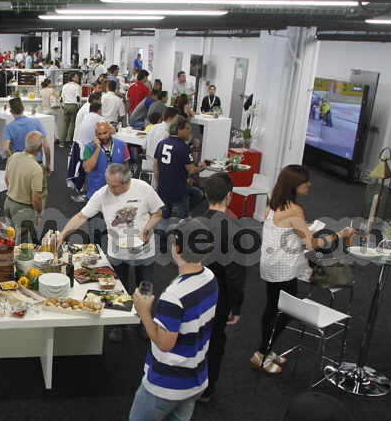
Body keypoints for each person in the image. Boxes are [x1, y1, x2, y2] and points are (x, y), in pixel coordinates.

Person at [254, 165, 355, 374]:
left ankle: (265, 350)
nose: (309, 184)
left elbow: (286, 229)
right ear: (294, 185)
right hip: (284, 268)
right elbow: (312, 245)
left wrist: (303, 227)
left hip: (270, 264)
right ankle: (262, 353)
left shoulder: (273, 204)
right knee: (285, 311)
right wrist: (339, 234)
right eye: (305, 182)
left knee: (272, 307)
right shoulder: (295, 209)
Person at [59, 163, 163, 342]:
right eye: (108, 183)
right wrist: (62, 234)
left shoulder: (143, 189)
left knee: (144, 288)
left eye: (114, 185)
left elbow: (158, 213)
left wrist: (146, 229)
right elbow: (81, 217)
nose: (110, 188)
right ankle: (118, 325)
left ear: (126, 182)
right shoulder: (102, 194)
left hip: (144, 250)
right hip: (117, 251)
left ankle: (144, 323)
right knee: (117, 289)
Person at [128, 218, 217, 421]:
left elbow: (164, 343)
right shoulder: (210, 278)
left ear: (177, 248)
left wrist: (144, 312)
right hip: (196, 378)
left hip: (166, 385)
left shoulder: (174, 296)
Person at [197, 173, 246, 403]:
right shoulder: (234, 229)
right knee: (215, 340)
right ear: (230, 196)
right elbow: (236, 274)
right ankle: (207, 389)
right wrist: (236, 306)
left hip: (193, 291)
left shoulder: (193, 221)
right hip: (218, 295)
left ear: (206, 194)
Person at [154, 114, 207, 219]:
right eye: (187, 129)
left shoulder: (161, 143)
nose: (189, 132)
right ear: (179, 129)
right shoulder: (183, 147)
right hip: (178, 191)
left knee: (164, 218)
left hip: (163, 189)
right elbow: (191, 170)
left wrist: (158, 184)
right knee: (179, 221)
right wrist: (202, 167)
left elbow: (156, 167)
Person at [4, 132, 46, 243]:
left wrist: (15, 191)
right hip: (24, 209)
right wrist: (39, 213)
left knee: (10, 238)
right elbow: (36, 198)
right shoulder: (36, 169)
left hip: (8, 203)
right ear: (40, 148)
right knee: (23, 247)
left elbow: (6, 179)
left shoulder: (13, 156)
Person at [68, 95, 106, 200]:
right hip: (89, 149)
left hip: (80, 146)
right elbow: (107, 132)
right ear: (99, 110)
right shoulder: (100, 118)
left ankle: (84, 187)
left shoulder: (87, 116)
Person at [81, 122, 130, 199]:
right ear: (96, 135)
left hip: (117, 192)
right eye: (99, 134)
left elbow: (126, 166)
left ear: (110, 131)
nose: (103, 136)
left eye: (105, 133)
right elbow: (87, 169)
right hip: (96, 193)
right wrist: (98, 148)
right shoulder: (89, 147)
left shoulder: (122, 145)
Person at [3, 98, 51, 165]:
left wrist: (13, 160)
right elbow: (46, 147)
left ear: (11, 111)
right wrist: (48, 164)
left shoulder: (9, 127)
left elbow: (6, 149)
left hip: (20, 163)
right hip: (36, 162)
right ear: (23, 108)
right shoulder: (36, 122)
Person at [61, 73, 83, 147]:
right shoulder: (77, 86)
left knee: (65, 124)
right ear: (73, 78)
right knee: (72, 124)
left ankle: (62, 142)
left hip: (66, 105)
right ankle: (71, 142)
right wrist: (79, 105)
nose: (78, 78)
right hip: (73, 105)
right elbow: (78, 98)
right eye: (77, 77)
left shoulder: (64, 86)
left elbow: (62, 97)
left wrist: (63, 105)